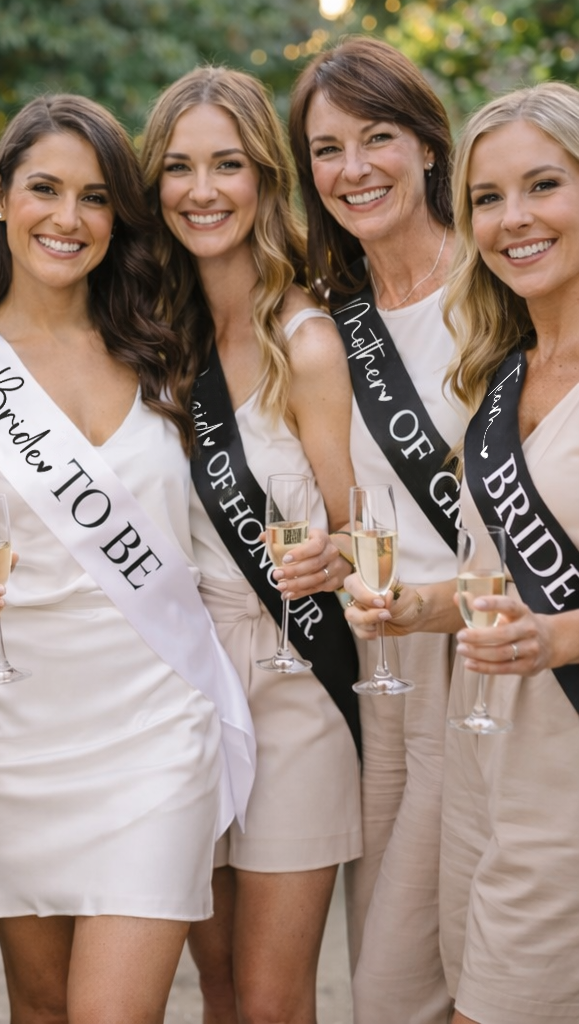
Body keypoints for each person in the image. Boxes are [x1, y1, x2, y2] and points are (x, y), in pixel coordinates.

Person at [0, 93, 255, 1024]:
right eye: (45, 189)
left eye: (95, 197)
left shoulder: (161, 348)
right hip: (18, 731)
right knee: (42, 1008)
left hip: (157, 724)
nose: (68, 217)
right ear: (1, 199)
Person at [344, 80, 579, 1024]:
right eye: (489, 197)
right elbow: (491, 580)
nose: (513, 218)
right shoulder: (503, 370)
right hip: (484, 761)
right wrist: (417, 607)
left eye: (544, 186)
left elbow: (544, 618)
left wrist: (557, 638)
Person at [140, 67, 361, 1024]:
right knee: (218, 982)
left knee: (271, 997)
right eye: (179, 167)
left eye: (227, 165)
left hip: (291, 675)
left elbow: (363, 525)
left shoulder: (307, 342)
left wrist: (336, 556)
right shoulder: (154, 337)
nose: (203, 190)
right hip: (186, 684)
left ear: (266, 178)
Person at [288, 37, 462, 1024]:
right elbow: (361, 514)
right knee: (386, 958)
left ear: (428, 144)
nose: (352, 168)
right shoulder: (329, 319)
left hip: (483, 650)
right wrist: (335, 552)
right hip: (379, 661)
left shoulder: (501, 283)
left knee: (413, 976)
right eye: (326, 149)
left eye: (377, 137)